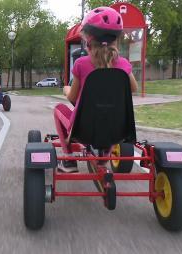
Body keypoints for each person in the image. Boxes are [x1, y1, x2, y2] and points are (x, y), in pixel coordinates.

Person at [54, 7, 138, 173]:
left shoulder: (81, 64)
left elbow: (73, 96)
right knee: (107, 120)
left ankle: (69, 159)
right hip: (117, 129)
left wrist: (65, 89)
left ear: (88, 40)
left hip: (84, 129)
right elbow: (133, 89)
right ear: (116, 40)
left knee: (58, 110)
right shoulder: (123, 64)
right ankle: (104, 154)